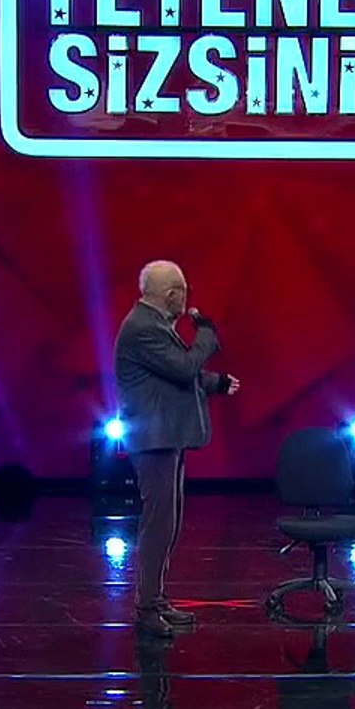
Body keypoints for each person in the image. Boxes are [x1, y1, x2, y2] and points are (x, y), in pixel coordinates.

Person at [113, 260, 239, 636]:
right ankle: (147, 607)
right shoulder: (142, 328)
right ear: (171, 294)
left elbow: (174, 374)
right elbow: (183, 368)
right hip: (154, 441)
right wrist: (207, 336)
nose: (186, 297)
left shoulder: (154, 325)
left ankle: (156, 598)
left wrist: (216, 383)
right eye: (183, 290)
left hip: (166, 438)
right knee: (158, 524)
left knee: (169, 522)